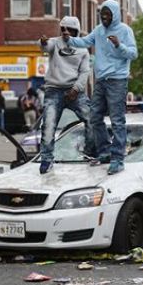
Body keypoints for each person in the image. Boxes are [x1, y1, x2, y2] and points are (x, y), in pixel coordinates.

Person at [64, 0, 138, 175]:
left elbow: (133, 54)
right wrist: (70, 40)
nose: (104, 18)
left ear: (114, 15)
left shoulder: (125, 31)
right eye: (102, 15)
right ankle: (105, 151)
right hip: (101, 81)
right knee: (94, 116)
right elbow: (84, 42)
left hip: (117, 80)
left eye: (107, 15)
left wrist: (118, 45)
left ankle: (118, 159)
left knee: (117, 119)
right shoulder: (98, 31)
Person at [38, 16, 95, 174]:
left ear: (76, 31)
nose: (65, 32)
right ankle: (46, 159)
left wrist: (76, 89)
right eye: (63, 29)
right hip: (53, 90)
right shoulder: (55, 43)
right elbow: (45, 46)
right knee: (48, 125)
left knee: (92, 119)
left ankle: (90, 152)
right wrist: (42, 42)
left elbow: (85, 72)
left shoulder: (83, 49)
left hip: (75, 90)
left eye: (69, 29)